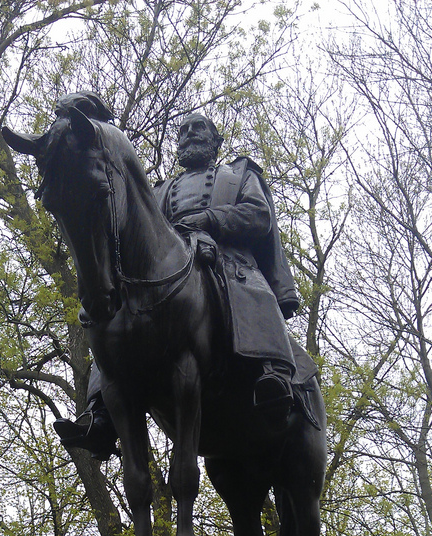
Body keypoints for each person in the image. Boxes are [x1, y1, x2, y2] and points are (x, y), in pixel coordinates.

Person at [54, 105, 313, 459]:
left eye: (198, 128)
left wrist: (208, 220)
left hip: (226, 260)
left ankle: (274, 373)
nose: (190, 134)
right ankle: (100, 415)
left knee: (248, 288)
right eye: (184, 131)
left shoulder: (237, 175)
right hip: (169, 275)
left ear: (215, 140)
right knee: (114, 317)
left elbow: (259, 215)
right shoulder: (159, 191)